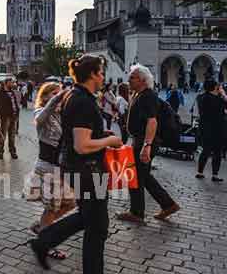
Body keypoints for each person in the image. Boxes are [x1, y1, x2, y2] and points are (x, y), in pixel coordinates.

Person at [30, 55, 123, 274]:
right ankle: (44, 242)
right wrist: (110, 140)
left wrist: (100, 134)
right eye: (100, 72)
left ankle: (44, 241)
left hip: (78, 169)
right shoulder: (83, 101)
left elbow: (76, 135)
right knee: (97, 225)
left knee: (91, 220)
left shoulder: (74, 95)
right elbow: (82, 145)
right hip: (88, 171)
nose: (103, 77)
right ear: (92, 74)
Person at [116, 65, 180, 224]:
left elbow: (152, 121)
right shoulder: (140, 94)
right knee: (143, 176)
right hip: (140, 140)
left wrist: (147, 145)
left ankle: (137, 212)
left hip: (145, 141)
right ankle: (168, 205)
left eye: (132, 77)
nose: (128, 80)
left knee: (136, 176)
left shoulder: (148, 96)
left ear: (143, 80)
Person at [26, 81, 75, 261]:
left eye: (59, 92)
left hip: (61, 167)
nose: (59, 96)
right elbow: (40, 119)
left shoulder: (62, 114)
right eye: (54, 93)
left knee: (71, 203)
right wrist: (56, 99)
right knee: (51, 208)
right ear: (45, 96)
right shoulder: (40, 111)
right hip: (48, 167)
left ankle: (42, 226)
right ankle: (46, 244)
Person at [196, 79, 227, 182]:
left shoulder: (200, 98)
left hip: (204, 129)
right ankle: (215, 175)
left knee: (205, 151)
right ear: (215, 88)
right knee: (217, 152)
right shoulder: (218, 100)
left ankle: (200, 172)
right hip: (217, 130)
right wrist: (223, 94)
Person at [0, 78, 21, 159]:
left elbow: (15, 103)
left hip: (14, 116)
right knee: (3, 135)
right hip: (6, 117)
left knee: (12, 135)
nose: (12, 84)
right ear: (6, 84)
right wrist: (4, 115)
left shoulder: (12, 92)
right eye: (10, 83)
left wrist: (17, 111)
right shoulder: (0, 94)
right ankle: (0, 151)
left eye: (12, 83)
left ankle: (12, 151)